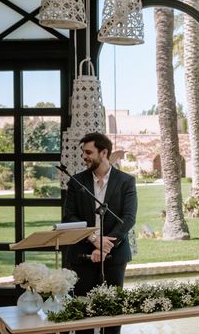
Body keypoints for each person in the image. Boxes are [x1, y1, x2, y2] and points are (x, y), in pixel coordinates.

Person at [63, 132, 137, 334]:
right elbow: (69, 217)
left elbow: (128, 218)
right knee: (83, 315)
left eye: (89, 152)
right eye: (83, 152)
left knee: (113, 314)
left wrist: (106, 247)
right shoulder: (76, 182)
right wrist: (94, 239)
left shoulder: (126, 182)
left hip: (115, 256)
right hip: (81, 255)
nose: (84, 156)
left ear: (104, 152)